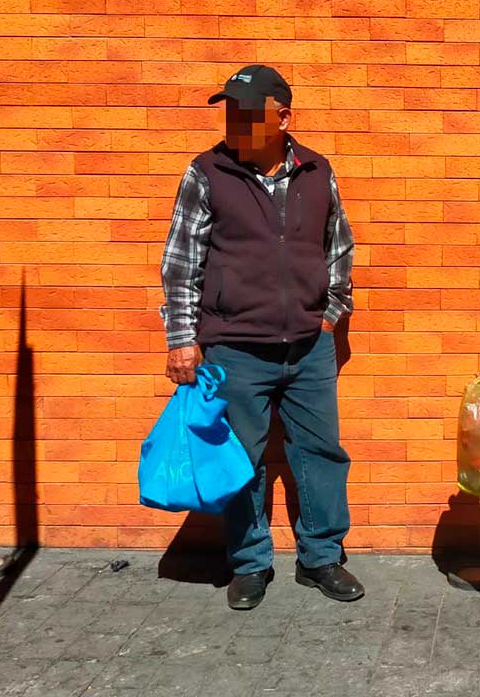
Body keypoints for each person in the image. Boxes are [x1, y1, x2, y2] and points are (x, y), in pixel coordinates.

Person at [160, 64, 363, 610]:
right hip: (234, 347)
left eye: (249, 113)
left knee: (320, 452)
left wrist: (331, 313)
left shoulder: (318, 171)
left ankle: (322, 557)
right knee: (241, 459)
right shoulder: (206, 172)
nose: (237, 123)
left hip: (308, 345)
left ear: (284, 116)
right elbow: (181, 263)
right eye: (231, 112)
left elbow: (339, 245)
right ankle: (249, 562)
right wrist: (182, 337)